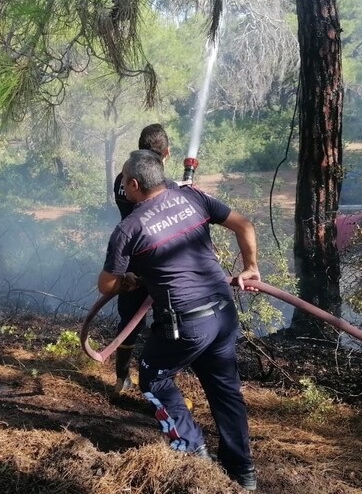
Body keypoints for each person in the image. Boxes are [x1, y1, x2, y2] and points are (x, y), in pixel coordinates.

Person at [98, 149, 261, 491]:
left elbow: (107, 284)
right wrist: (250, 267)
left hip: (185, 324)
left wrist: (130, 279)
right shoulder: (192, 197)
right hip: (222, 312)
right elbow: (243, 225)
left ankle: (192, 451)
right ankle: (242, 473)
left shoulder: (129, 228)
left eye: (125, 182)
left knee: (153, 378)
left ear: (134, 184)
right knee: (225, 390)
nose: (123, 189)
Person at [110, 123, 172, 393]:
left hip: (129, 262)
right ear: (166, 153)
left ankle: (121, 379)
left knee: (130, 321)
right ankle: (159, 385)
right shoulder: (162, 186)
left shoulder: (121, 179)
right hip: (159, 262)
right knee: (166, 322)